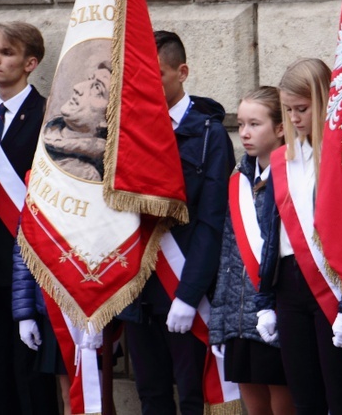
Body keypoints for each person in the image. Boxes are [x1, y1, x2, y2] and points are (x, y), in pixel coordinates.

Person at [118, 30, 235, 414]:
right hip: (137, 288)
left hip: (186, 284)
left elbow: (212, 221)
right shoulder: (128, 133)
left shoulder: (209, 135)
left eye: (158, 74)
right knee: (150, 396)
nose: (147, 85)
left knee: (191, 396)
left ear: (181, 72)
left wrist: (188, 294)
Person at [254, 58, 342, 414]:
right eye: (287, 110)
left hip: (331, 286)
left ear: (325, 100)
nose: (294, 118)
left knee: (341, 394)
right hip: (289, 285)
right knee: (304, 396)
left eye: (301, 108)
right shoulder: (282, 159)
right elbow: (272, 235)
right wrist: (265, 301)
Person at [0, 21, 59, 415]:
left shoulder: (48, 116)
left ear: (30, 63)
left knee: (34, 379)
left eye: (6, 53)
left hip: (34, 267)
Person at [208, 86, 294, 414]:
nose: (244, 133)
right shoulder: (239, 181)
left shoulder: (292, 179)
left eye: (254, 124)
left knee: (284, 404)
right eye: (241, 123)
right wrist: (221, 324)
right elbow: (228, 257)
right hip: (238, 322)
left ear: (280, 127)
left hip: (276, 316)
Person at [43, 61, 110, 181]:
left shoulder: (87, 174)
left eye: (97, 88)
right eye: (89, 79)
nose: (78, 87)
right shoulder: (46, 132)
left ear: (108, 120)